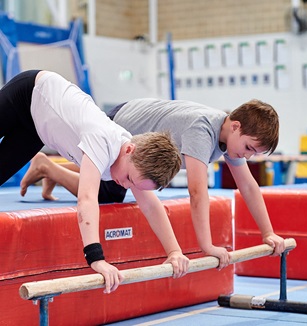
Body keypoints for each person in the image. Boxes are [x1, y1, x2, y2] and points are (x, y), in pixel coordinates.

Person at [21, 97, 286, 268]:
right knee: (105, 193)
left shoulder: (230, 139)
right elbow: (197, 191)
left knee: (106, 185)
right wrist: (207, 247)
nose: (248, 156)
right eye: (249, 148)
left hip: (133, 117)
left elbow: (248, 186)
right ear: (236, 126)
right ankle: (49, 168)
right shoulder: (203, 130)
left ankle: (51, 168)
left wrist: (268, 232)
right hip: (121, 124)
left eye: (254, 153)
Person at [0, 72, 189, 294]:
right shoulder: (102, 140)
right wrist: (96, 258)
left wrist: (174, 251)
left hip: (36, 127)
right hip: (29, 93)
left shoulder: (132, 161)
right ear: (129, 149)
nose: (127, 187)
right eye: (129, 179)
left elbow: (151, 206)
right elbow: (87, 198)